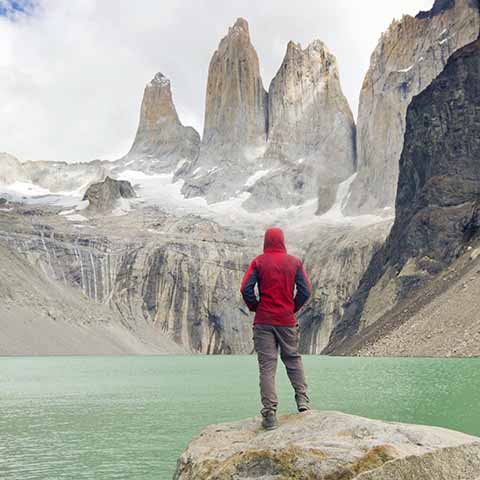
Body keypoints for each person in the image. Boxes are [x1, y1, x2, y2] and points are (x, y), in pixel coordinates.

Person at [240, 227, 312, 430]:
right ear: (282, 241)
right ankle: (303, 401)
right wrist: (292, 307)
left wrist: (256, 306)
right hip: (286, 321)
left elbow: (246, 288)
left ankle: (270, 414)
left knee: (267, 367)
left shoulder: (259, 262)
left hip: (263, 321)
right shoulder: (294, 262)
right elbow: (306, 290)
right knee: (293, 359)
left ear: (266, 241)